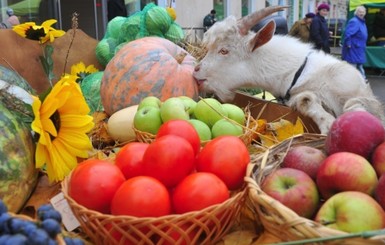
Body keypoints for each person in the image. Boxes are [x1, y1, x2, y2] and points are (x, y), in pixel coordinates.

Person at [341, 6, 368, 79]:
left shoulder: (361, 21)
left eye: (363, 12)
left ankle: (361, 81)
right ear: (356, 12)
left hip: (358, 48)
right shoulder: (355, 21)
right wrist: (348, 44)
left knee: (358, 66)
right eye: (359, 12)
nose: (361, 13)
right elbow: (348, 34)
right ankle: (361, 81)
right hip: (353, 48)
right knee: (353, 66)